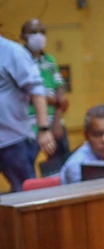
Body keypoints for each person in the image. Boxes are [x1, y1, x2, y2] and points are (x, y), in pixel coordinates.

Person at [0, 34, 55, 192]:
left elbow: (37, 91)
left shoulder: (12, 52)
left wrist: (43, 129)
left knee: (26, 194)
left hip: (13, 141)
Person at [21, 18, 70, 174]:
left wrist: (56, 121)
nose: (39, 36)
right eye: (34, 32)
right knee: (26, 168)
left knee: (61, 164)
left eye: (42, 32)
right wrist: (45, 99)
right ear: (23, 36)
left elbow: (60, 90)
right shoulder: (19, 59)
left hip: (53, 121)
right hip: (27, 126)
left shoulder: (49, 60)